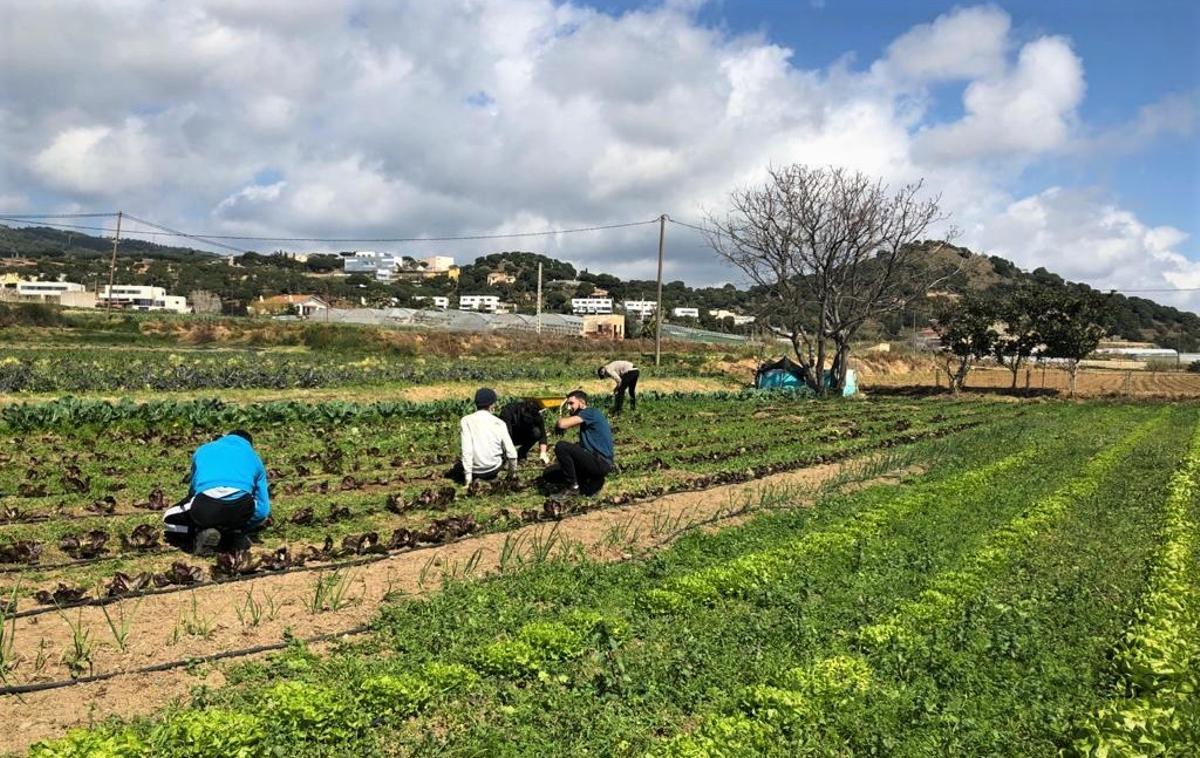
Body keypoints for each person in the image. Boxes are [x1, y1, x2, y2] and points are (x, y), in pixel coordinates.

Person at [163, 430, 270, 556]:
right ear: (249, 444)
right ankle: (233, 533)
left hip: (205, 507)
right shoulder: (254, 458)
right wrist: (245, 527)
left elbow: (194, 489)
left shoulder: (203, 450)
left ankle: (198, 533)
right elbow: (263, 510)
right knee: (240, 507)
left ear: (225, 437)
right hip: (241, 508)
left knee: (168, 520)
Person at [447, 387, 518, 487]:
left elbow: (467, 451)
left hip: (475, 471)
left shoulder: (466, 420)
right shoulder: (499, 423)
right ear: (492, 405)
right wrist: (512, 475)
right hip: (493, 469)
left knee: (457, 466)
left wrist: (468, 480)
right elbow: (512, 454)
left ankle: (475, 480)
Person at [551, 390, 614, 496]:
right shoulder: (588, 419)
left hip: (601, 462)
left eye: (571, 403)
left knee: (561, 446)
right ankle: (589, 483)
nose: (568, 407)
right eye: (567, 404)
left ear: (581, 402)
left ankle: (573, 487)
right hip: (597, 462)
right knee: (550, 473)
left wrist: (558, 423)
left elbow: (562, 424)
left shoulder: (590, 412)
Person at [499, 398, 551, 464]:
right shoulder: (509, 410)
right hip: (507, 435)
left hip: (522, 435)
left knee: (537, 433)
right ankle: (502, 456)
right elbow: (505, 434)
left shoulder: (537, 416)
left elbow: (543, 436)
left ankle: (521, 454)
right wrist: (510, 454)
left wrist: (543, 453)